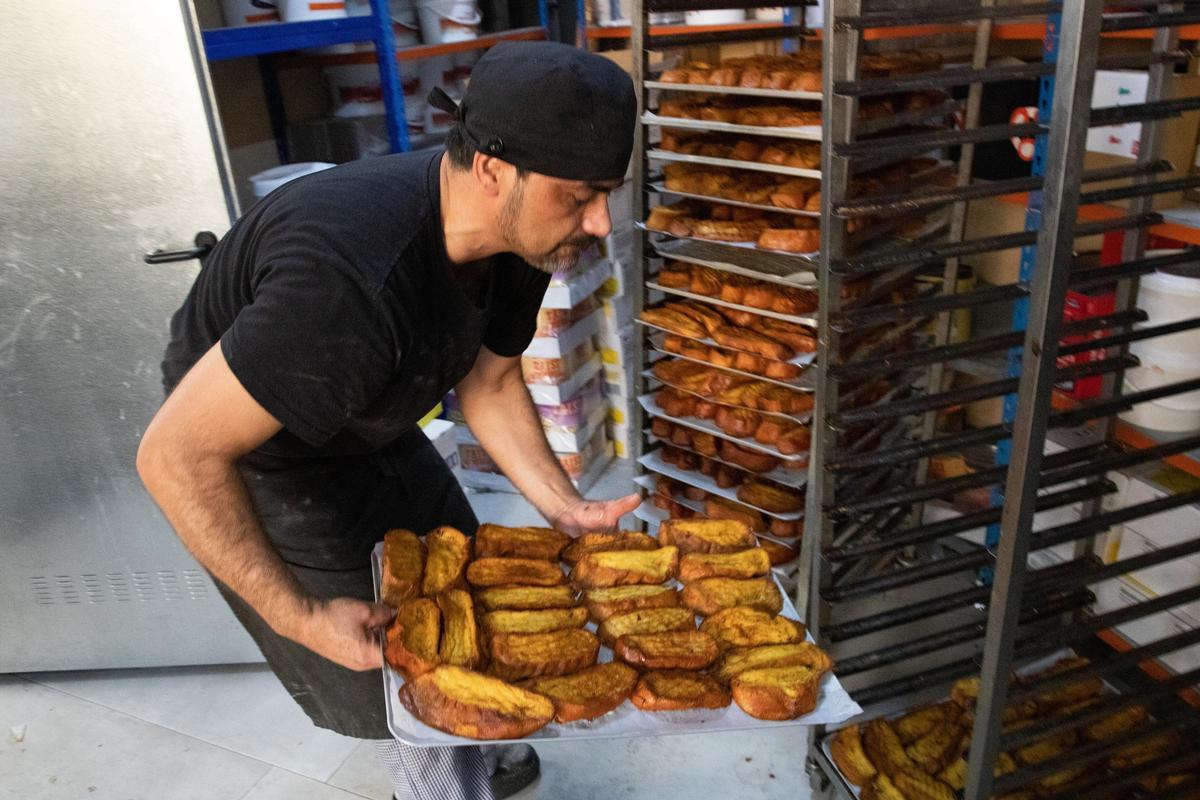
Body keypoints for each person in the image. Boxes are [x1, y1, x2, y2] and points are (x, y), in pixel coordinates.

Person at [136, 41, 638, 800]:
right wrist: (300, 616)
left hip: (367, 402)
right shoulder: (349, 283)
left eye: (608, 194)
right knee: (398, 667)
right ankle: (435, 781)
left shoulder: (517, 234)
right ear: (493, 169)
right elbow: (174, 456)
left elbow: (491, 379)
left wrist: (563, 505)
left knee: (460, 581)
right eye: (580, 197)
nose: (600, 222)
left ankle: (483, 739)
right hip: (254, 442)